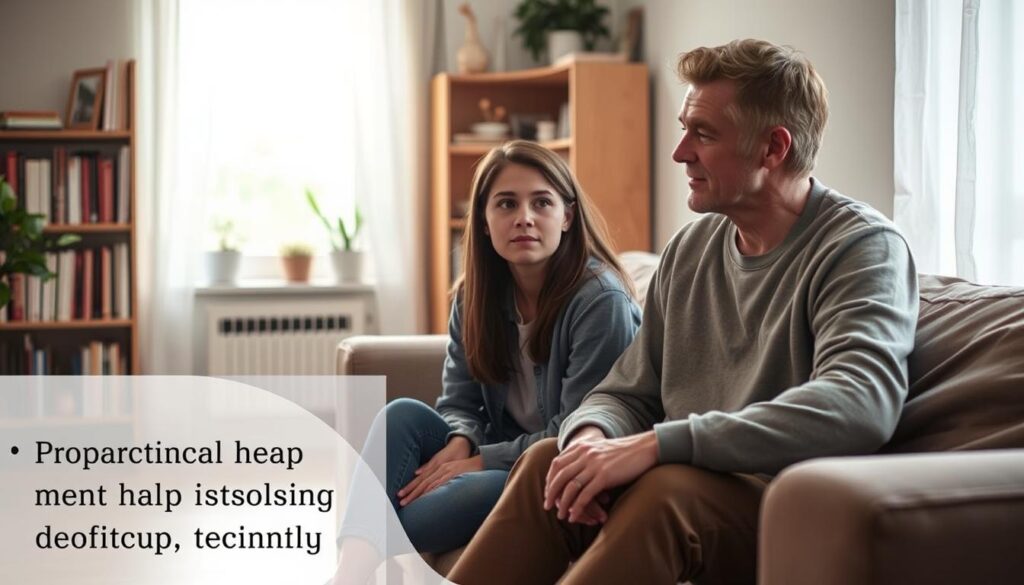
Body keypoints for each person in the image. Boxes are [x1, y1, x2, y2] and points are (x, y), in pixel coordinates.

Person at [448, 39, 919, 585]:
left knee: (665, 493)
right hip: (680, 477)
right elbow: (626, 391)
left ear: (772, 148)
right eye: (684, 128)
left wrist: (658, 445)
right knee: (545, 463)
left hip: (781, 501)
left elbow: (861, 402)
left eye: (704, 133)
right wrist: (591, 439)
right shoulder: (691, 249)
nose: (679, 152)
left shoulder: (861, 247)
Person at [335, 140, 642, 579]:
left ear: (567, 216)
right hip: (495, 451)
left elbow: (578, 430)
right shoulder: (475, 296)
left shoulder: (600, 302)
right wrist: (461, 438)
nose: (524, 218)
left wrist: (478, 460)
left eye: (541, 202)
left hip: (549, 470)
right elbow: (458, 399)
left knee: (397, 516)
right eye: (506, 204)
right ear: (483, 219)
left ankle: (355, 565)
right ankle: (351, 574)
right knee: (400, 415)